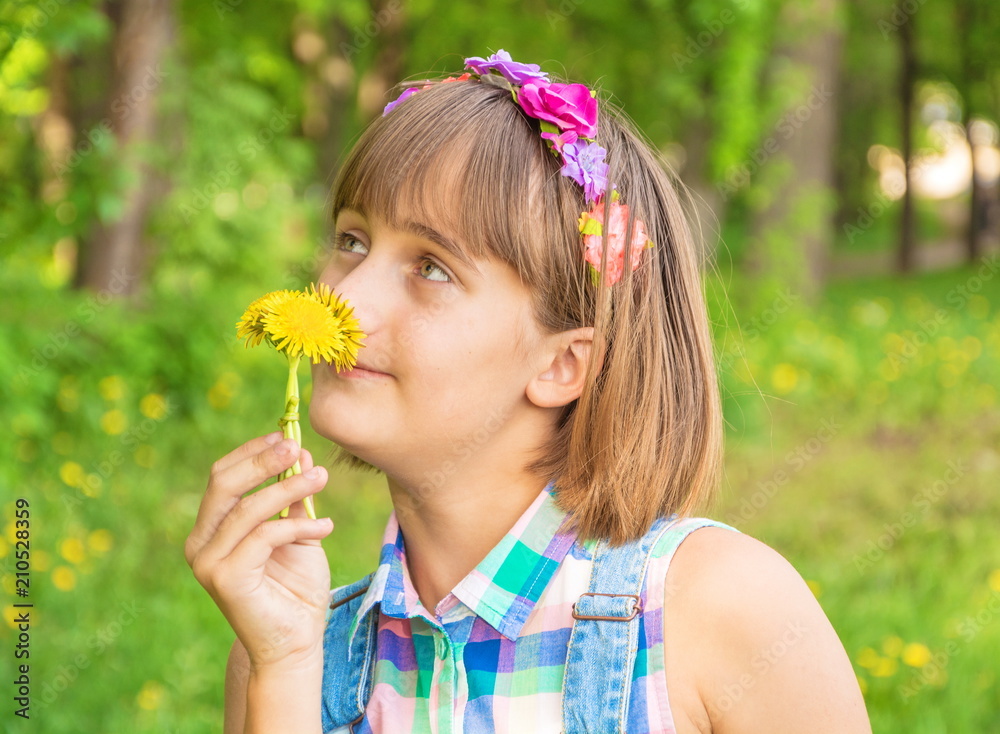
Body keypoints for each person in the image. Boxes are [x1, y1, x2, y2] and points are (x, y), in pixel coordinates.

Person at [185, 50, 872, 734]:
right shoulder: (291, 651)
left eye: (431, 266)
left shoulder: (717, 612)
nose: (344, 298)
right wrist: (283, 666)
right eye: (352, 240)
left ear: (562, 366)